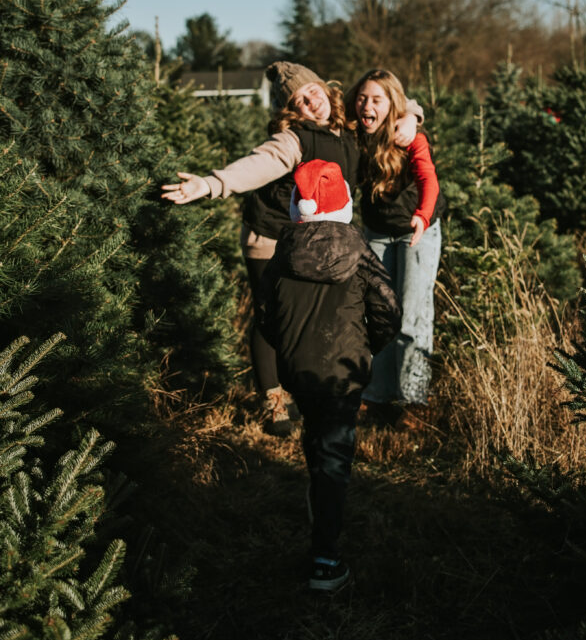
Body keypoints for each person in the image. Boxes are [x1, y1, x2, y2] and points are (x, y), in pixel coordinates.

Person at [161, 61, 419, 434]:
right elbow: (260, 164)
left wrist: (412, 116)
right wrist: (211, 184)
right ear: (291, 111)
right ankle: (274, 402)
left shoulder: (348, 128)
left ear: (324, 88)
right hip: (271, 239)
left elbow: (389, 102)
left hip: (317, 243)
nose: (309, 103)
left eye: (311, 92)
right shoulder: (295, 139)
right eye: (298, 101)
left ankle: (305, 388)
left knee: (308, 318)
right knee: (272, 319)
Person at [260, 159, 401, 591]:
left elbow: (265, 317)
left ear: (296, 206)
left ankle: (317, 498)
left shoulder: (283, 253)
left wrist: (286, 351)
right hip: (344, 373)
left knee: (319, 442)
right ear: (344, 203)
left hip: (298, 372)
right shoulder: (359, 252)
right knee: (336, 458)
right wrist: (366, 350)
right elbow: (387, 312)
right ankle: (325, 558)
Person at [346, 69, 444, 427]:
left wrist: (422, 214)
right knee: (380, 313)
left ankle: (415, 399)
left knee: (414, 315)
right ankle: (378, 396)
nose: (366, 105)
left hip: (417, 230)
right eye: (362, 97)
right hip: (376, 232)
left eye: (376, 99)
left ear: (392, 104)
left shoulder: (408, 136)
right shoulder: (354, 134)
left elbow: (427, 176)